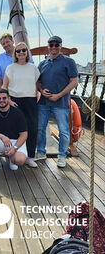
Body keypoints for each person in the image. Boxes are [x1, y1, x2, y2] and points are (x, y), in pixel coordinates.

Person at [35, 36, 78, 168]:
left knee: (64, 131)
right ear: (48, 47)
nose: (54, 47)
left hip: (61, 103)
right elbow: (38, 82)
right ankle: (41, 152)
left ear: (60, 46)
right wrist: (41, 91)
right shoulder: (42, 64)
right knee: (40, 128)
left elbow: (74, 81)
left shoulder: (69, 62)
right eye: (51, 45)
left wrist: (58, 95)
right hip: (44, 102)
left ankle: (62, 156)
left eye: (56, 45)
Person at [2, 42, 40, 168]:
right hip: (15, 100)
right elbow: (4, 86)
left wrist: (38, 93)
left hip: (31, 100)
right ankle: (11, 157)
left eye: (24, 50)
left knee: (32, 128)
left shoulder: (33, 68)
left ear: (27, 52)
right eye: (18, 51)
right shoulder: (10, 68)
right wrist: (8, 101)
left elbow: (37, 85)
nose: (21, 52)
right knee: (14, 129)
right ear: (15, 54)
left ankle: (30, 156)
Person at [0, 89, 28, 171]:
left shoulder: (18, 113)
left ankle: (12, 158)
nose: (1, 100)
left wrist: (14, 148)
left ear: (9, 98)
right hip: (1, 141)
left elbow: (24, 134)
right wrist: (2, 136)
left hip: (15, 142)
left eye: (4, 98)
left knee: (19, 160)